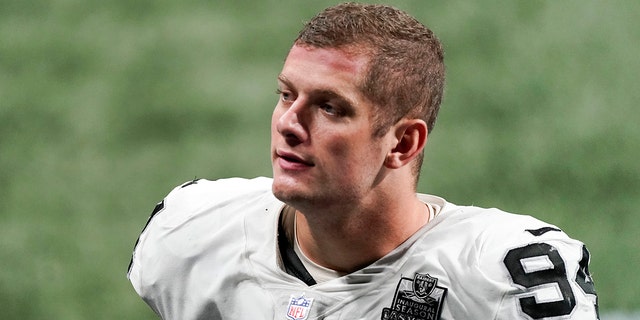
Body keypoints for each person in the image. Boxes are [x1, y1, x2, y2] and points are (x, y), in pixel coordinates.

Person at [127, 3, 599, 319]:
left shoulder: (501, 277)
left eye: (330, 107)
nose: (289, 123)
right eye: (286, 95)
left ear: (403, 144)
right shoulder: (192, 233)